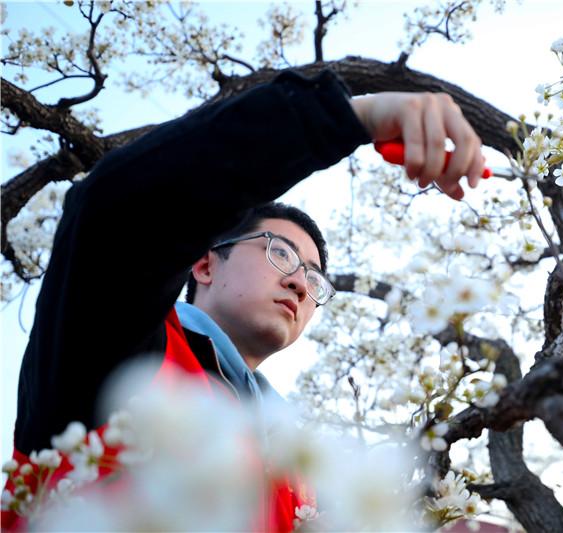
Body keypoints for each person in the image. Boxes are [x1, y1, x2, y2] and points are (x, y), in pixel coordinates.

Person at [4, 69, 485, 529]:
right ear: (206, 263)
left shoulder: (298, 466)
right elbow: (115, 213)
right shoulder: (120, 345)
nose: (301, 283)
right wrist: (351, 119)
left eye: (316, 280)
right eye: (281, 253)